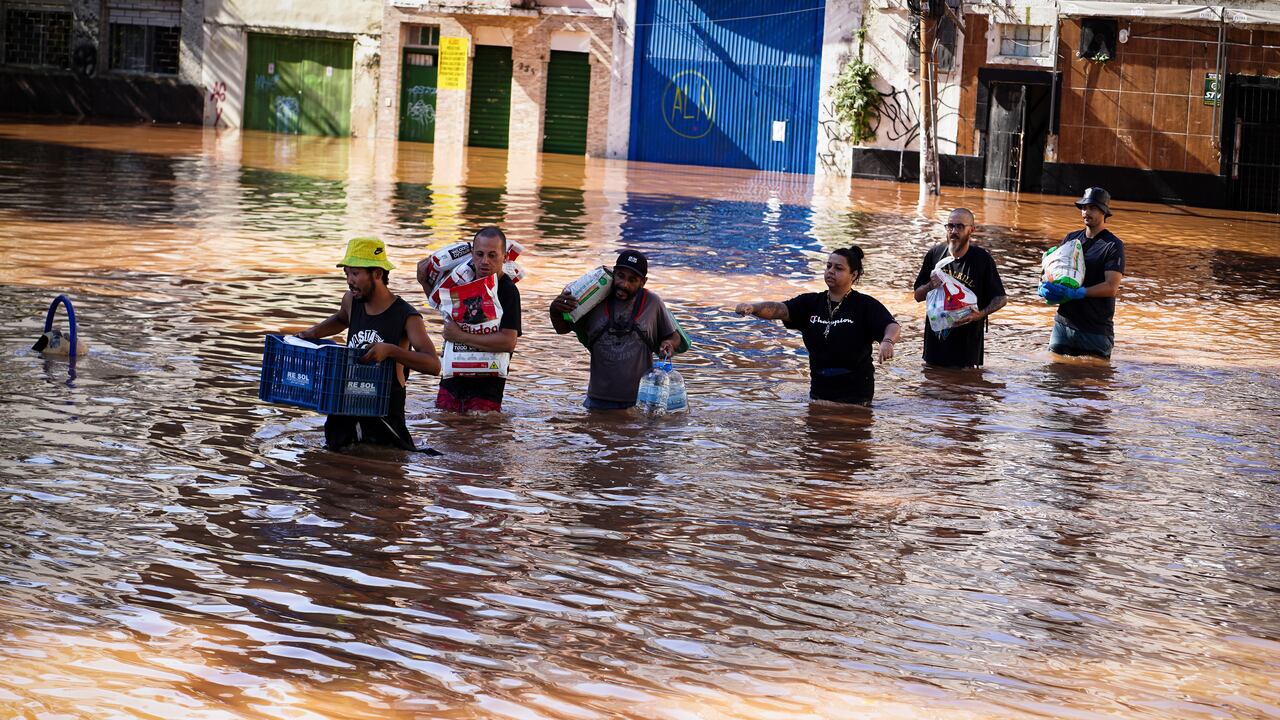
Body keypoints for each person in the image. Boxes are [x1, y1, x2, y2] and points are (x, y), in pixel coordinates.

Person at [295, 237, 441, 452]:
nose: (349, 280)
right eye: (346, 273)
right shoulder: (351, 301)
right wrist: (313, 333)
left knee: (387, 464)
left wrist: (391, 350)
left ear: (377, 274)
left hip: (383, 416)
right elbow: (341, 319)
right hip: (345, 405)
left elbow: (433, 365)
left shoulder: (407, 316)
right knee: (331, 463)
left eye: (355, 273)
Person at [734, 247, 900, 405]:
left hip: (856, 393)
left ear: (853, 274)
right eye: (828, 266)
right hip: (819, 390)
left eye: (838, 268)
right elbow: (780, 310)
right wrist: (753, 307)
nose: (831, 271)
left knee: (850, 425)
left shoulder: (865, 305)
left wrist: (887, 342)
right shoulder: (810, 303)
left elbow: (891, 325)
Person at [549, 250, 684, 410]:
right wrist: (555, 310)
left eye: (632, 280)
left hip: (639, 403)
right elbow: (562, 329)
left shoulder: (652, 303)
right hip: (597, 401)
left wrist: (669, 344)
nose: (624, 284)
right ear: (613, 273)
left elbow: (674, 336)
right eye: (620, 276)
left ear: (643, 282)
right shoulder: (594, 299)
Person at [435, 226, 522, 412]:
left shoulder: (508, 291)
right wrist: (423, 281)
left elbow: (508, 342)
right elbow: (439, 305)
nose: (485, 261)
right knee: (444, 425)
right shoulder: (461, 282)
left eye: (492, 255)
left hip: (486, 387)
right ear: (472, 255)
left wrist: (460, 336)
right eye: (480, 254)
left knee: (482, 427)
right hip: (452, 381)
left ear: (505, 257)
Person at [912, 207, 1007, 368]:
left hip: (967, 349)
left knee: (966, 381)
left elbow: (1001, 299)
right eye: (950, 226)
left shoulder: (982, 259)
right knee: (931, 379)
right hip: (935, 346)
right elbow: (917, 296)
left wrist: (980, 315)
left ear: (971, 230)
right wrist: (930, 285)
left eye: (960, 226)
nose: (954, 231)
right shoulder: (935, 254)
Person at [1038, 187, 1126, 359]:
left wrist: (1080, 292)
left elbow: (1111, 287)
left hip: (1095, 332)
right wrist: (1043, 285)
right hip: (1063, 326)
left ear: (1104, 212)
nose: (1086, 212)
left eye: (1092, 208)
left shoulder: (1113, 245)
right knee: (1052, 373)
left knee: (1092, 375)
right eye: (1084, 207)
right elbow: (1052, 268)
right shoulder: (1071, 239)